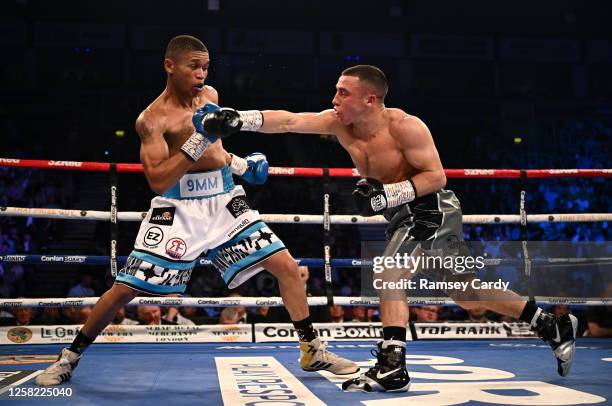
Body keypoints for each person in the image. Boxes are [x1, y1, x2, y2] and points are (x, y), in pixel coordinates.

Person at [207, 64, 578, 392]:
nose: (334, 98)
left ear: (370, 99)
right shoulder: (339, 124)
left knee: (389, 273)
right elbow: (288, 120)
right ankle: (549, 323)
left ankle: (393, 365)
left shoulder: (405, 126)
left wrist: (385, 196)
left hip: (431, 209)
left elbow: (436, 177)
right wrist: (239, 118)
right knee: (466, 294)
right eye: (336, 90)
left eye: (343, 92)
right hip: (403, 214)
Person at [36, 35, 356, 386]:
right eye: (194, 66)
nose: (201, 74)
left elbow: (214, 150)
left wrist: (240, 165)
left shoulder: (211, 96)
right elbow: (157, 179)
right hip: (177, 208)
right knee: (125, 289)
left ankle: (312, 350)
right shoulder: (152, 120)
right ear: (170, 66)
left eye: (205, 66)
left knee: (287, 267)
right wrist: (197, 138)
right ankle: (68, 357)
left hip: (223, 199)